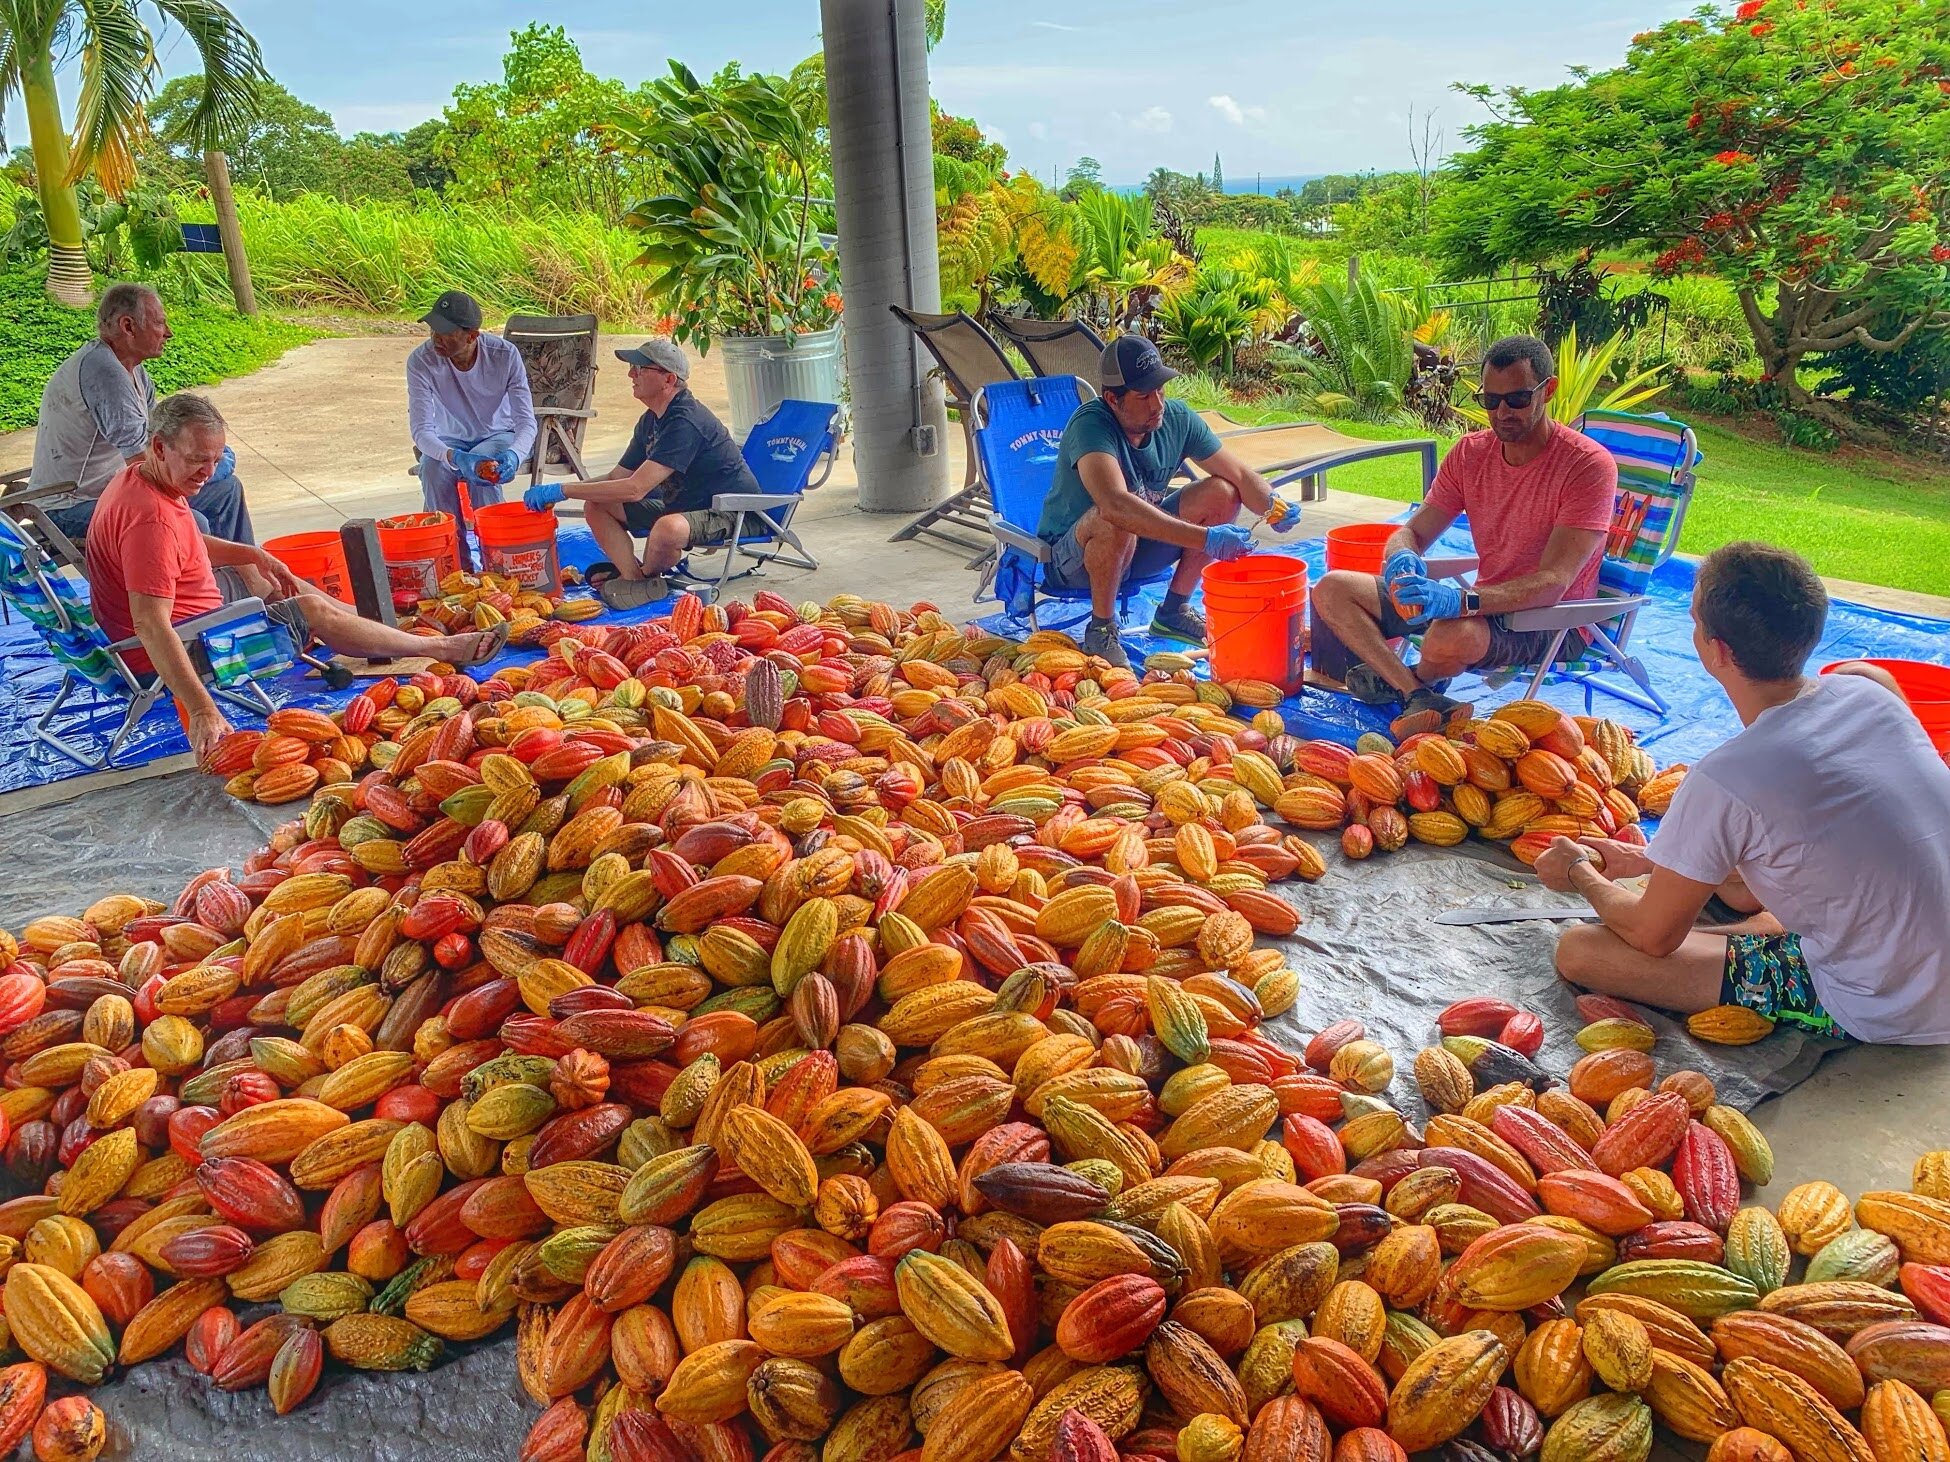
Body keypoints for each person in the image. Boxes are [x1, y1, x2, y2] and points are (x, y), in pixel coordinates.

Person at [1537, 543, 1950, 1045]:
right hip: (1922, 950)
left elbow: (1652, 935)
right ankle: (1759, 937)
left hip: (1889, 1006)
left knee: (1582, 950)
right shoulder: (1870, 686)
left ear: (1719, 651)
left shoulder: (1727, 777)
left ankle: (1775, 954)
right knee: (1740, 888)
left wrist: (1579, 872)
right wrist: (1650, 860)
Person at [86, 394, 510, 764]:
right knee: (306, 608)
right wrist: (201, 708)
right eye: (198, 460)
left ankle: (384, 633)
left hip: (191, 616)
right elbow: (150, 624)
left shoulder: (139, 478)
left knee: (265, 573)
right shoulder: (150, 521)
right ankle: (439, 646)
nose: (209, 472)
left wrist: (252, 553)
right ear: (159, 447)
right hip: (192, 646)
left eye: (216, 459)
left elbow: (186, 543)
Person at [1309, 335, 1617, 716]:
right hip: (1481, 604)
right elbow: (1413, 530)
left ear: (1548, 390)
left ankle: (1408, 681)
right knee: (1332, 588)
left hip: (1553, 620)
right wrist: (1401, 558)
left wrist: (1461, 601)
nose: (1503, 411)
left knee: (1445, 637)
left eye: (1517, 399)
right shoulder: (1471, 454)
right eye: (1490, 401)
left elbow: (1553, 583)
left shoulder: (1587, 466)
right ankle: (1413, 691)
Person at [1035, 334, 1296, 668]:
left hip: (1138, 546)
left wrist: (1272, 505)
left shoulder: (1175, 418)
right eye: (1144, 396)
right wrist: (1207, 539)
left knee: (1223, 492)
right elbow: (1115, 504)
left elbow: (1241, 475)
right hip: (1073, 562)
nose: (1157, 404)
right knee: (1113, 517)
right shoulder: (1090, 424)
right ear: (1113, 400)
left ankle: (1174, 610)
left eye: (1160, 390)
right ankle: (1101, 629)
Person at [522, 340, 758, 611]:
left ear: (668, 379)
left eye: (639, 368)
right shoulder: (651, 420)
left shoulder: (686, 421)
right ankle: (635, 579)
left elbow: (635, 489)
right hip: (684, 507)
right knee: (598, 504)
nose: (630, 375)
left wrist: (565, 491)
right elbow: (616, 477)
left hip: (732, 511)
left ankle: (645, 577)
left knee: (668, 529)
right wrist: (562, 490)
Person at [28, 282, 253, 544]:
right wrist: (212, 466)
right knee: (191, 520)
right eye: (159, 323)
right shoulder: (104, 373)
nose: (168, 333)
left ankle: (244, 579)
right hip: (68, 507)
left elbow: (160, 436)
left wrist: (208, 459)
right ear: (128, 326)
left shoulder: (133, 370)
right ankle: (206, 583)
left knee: (227, 491)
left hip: (110, 491)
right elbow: (142, 468)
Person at [406, 290, 537, 536]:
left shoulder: (505, 355)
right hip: (450, 439)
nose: (436, 338)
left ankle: (496, 550)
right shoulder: (420, 361)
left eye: (445, 333)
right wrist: (454, 457)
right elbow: (421, 430)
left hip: (498, 435)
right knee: (432, 468)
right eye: (432, 329)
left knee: (485, 466)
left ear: (472, 336)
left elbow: (526, 422)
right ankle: (452, 556)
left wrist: (514, 455)